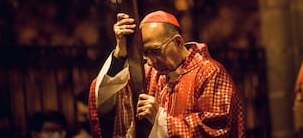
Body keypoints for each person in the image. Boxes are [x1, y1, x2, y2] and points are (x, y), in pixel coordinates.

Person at [88, 10, 245, 137]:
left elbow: (215, 129)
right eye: (144, 52)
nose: (149, 61)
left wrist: (160, 118)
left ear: (177, 42)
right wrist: (120, 51)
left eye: (155, 51)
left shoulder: (210, 73)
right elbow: (105, 98)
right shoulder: (149, 74)